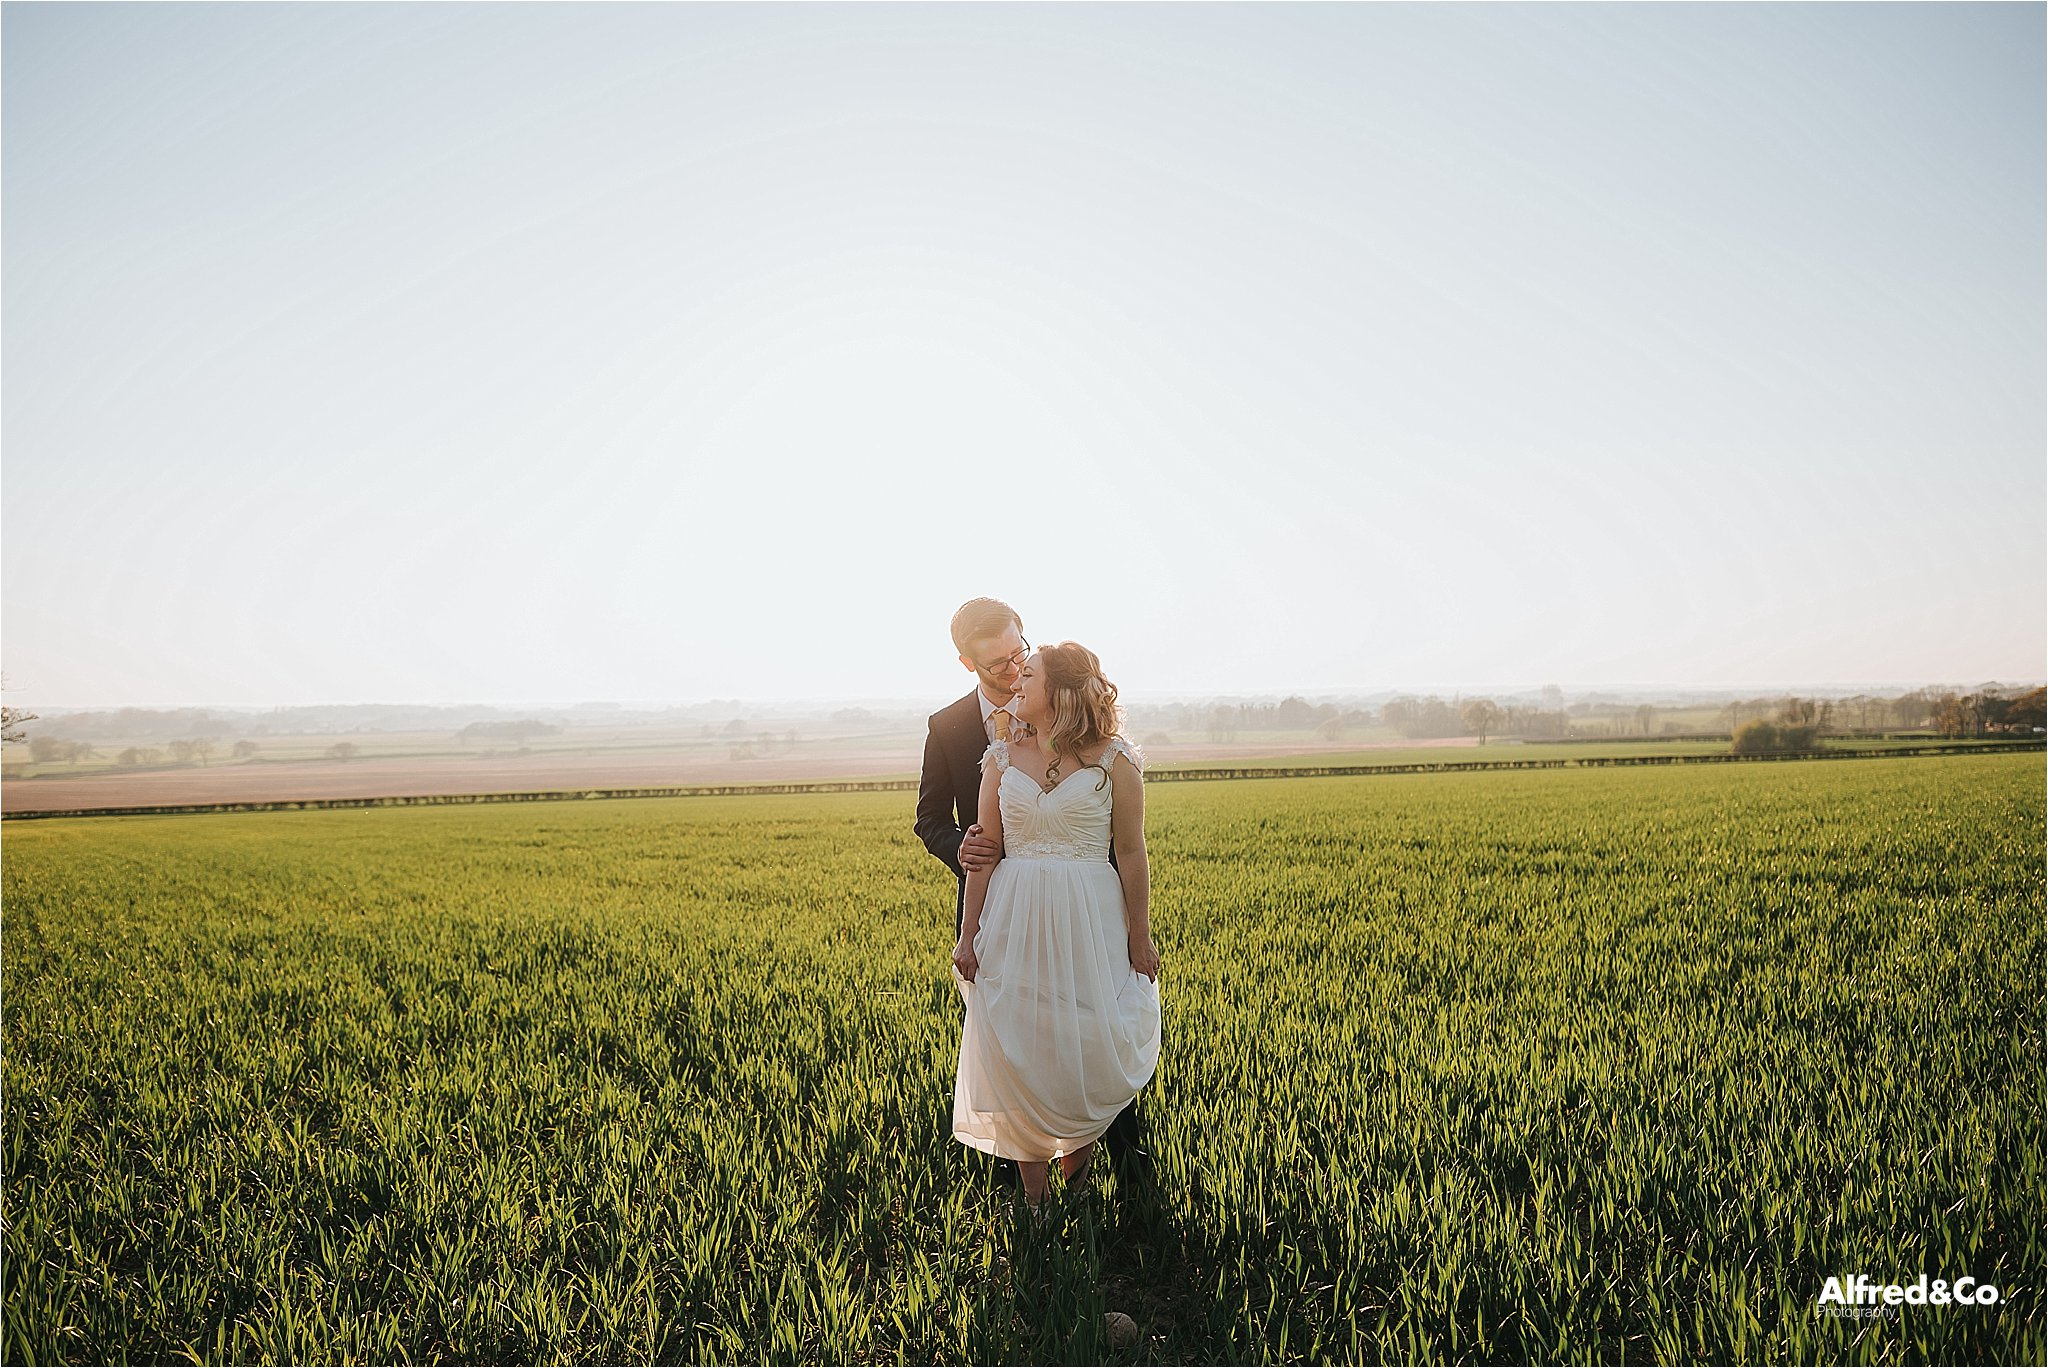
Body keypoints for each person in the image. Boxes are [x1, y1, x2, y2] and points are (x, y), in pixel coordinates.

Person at [949, 642, 1162, 1212]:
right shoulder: (998, 758)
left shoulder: (1115, 761)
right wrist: (967, 936)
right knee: (1022, 1040)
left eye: (1031, 672)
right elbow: (984, 854)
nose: (1019, 678)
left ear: (1062, 691)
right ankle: (1035, 1202)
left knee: (1084, 1044)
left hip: (1089, 919)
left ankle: (1079, 1189)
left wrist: (1138, 934)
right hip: (1015, 916)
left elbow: (1132, 852)